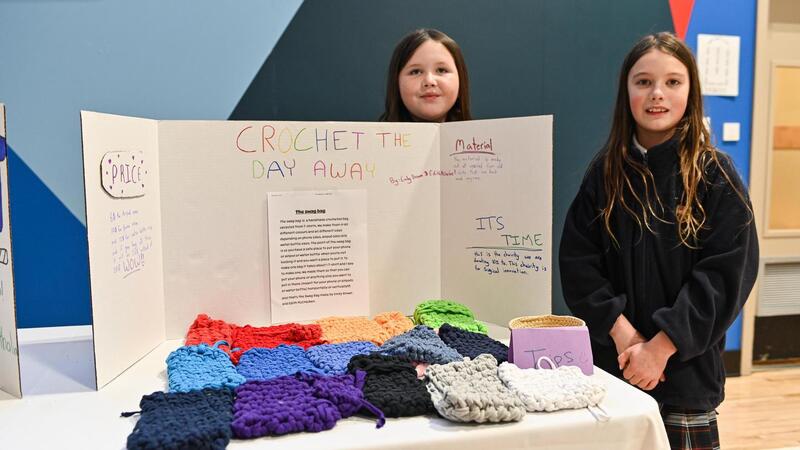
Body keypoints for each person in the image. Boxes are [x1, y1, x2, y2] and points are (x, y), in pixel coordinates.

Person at [559, 32, 758, 449]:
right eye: (643, 81)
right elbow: (579, 265)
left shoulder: (715, 174)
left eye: (673, 82)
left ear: (691, 91)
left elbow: (724, 277)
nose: (657, 94)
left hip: (687, 375)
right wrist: (626, 338)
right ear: (626, 91)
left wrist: (663, 346)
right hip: (616, 369)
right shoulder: (604, 174)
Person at [380, 28, 471, 122]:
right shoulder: (371, 136)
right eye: (416, 71)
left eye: (441, 70)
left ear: (460, 78)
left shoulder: (481, 135)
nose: (429, 81)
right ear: (396, 81)